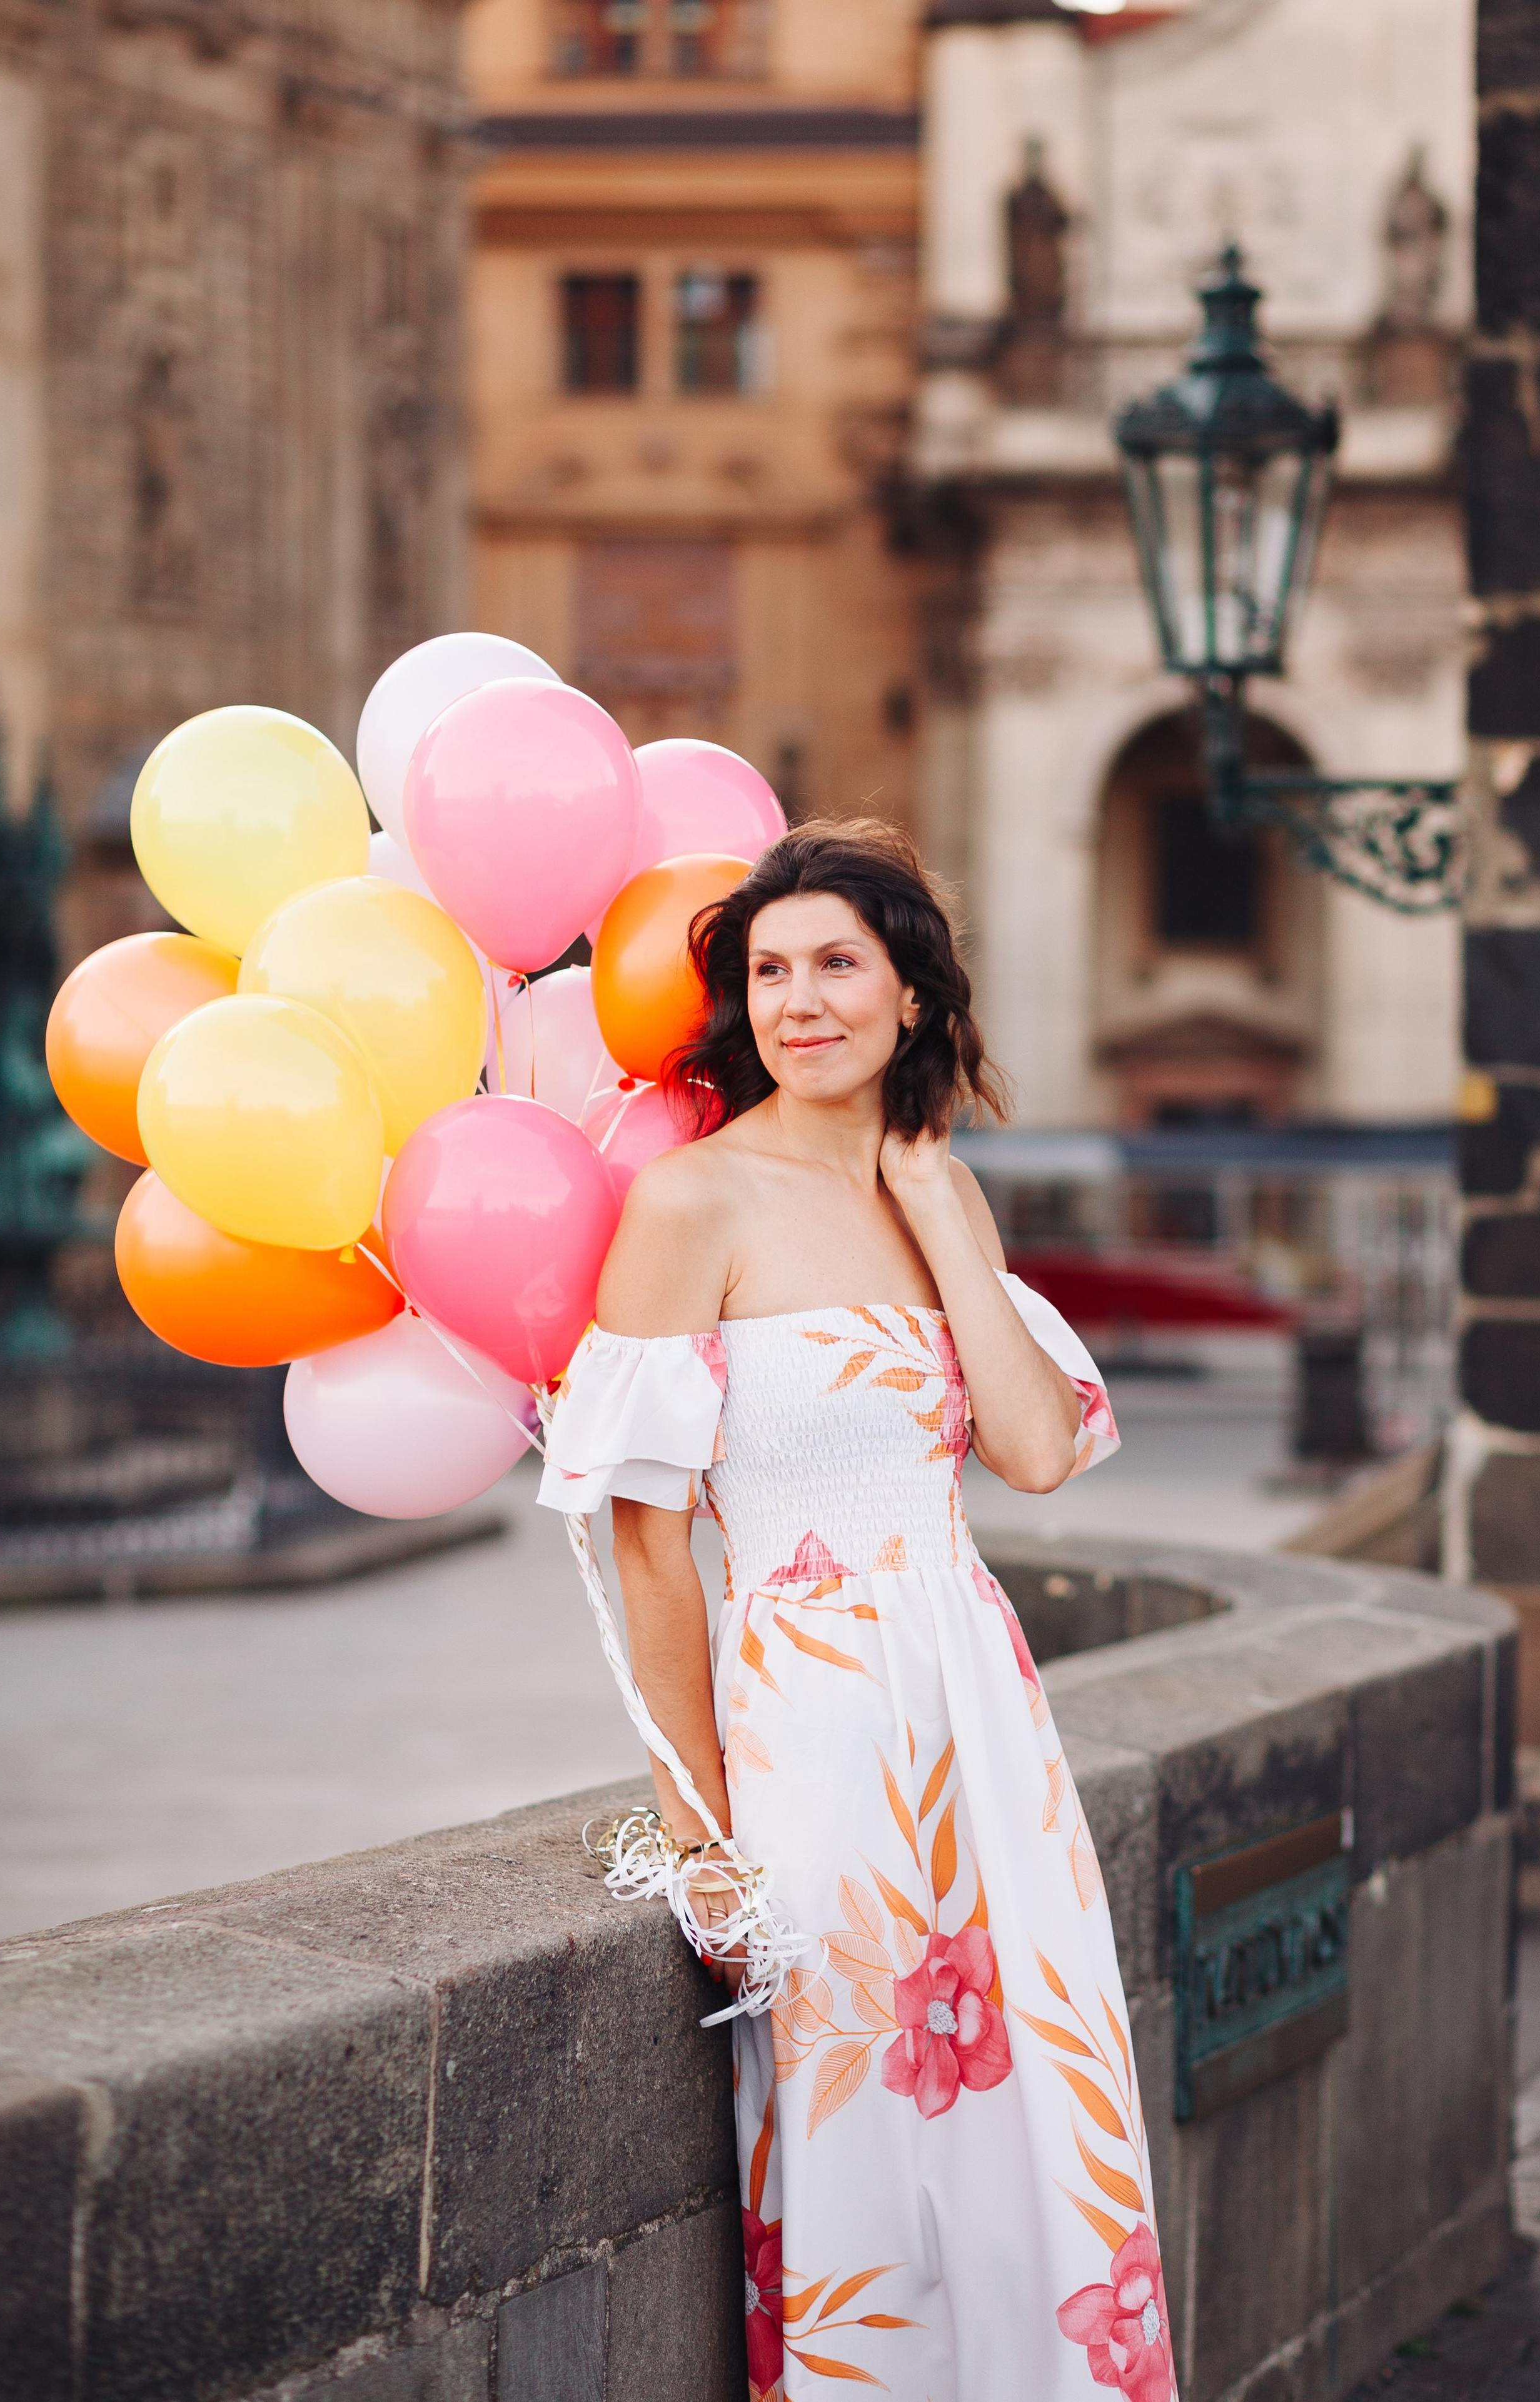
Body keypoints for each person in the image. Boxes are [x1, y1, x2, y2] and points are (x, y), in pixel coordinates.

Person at [539, 822, 1175, 2402]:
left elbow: (1029, 1452)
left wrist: (946, 1217)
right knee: (866, 2151)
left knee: (1043, 2117)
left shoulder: (931, 1190)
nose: (798, 1000)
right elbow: (649, 1551)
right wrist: (699, 1832)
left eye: (837, 964)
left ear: (911, 997)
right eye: (767, 971)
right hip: (811, 1735)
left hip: (984, 1726)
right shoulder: (693, 1205)